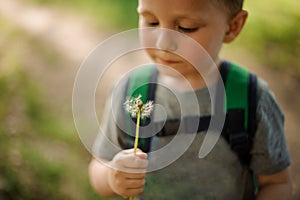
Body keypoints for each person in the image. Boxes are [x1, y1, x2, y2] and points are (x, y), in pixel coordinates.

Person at [88, 0, 292, 199]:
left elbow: (277, 183)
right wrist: (111, 177)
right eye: (152, 22)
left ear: (232, 27)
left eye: (186, 27)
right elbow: (99, 165)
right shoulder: (132, 92)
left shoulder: (252, 98)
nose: (163, 43)